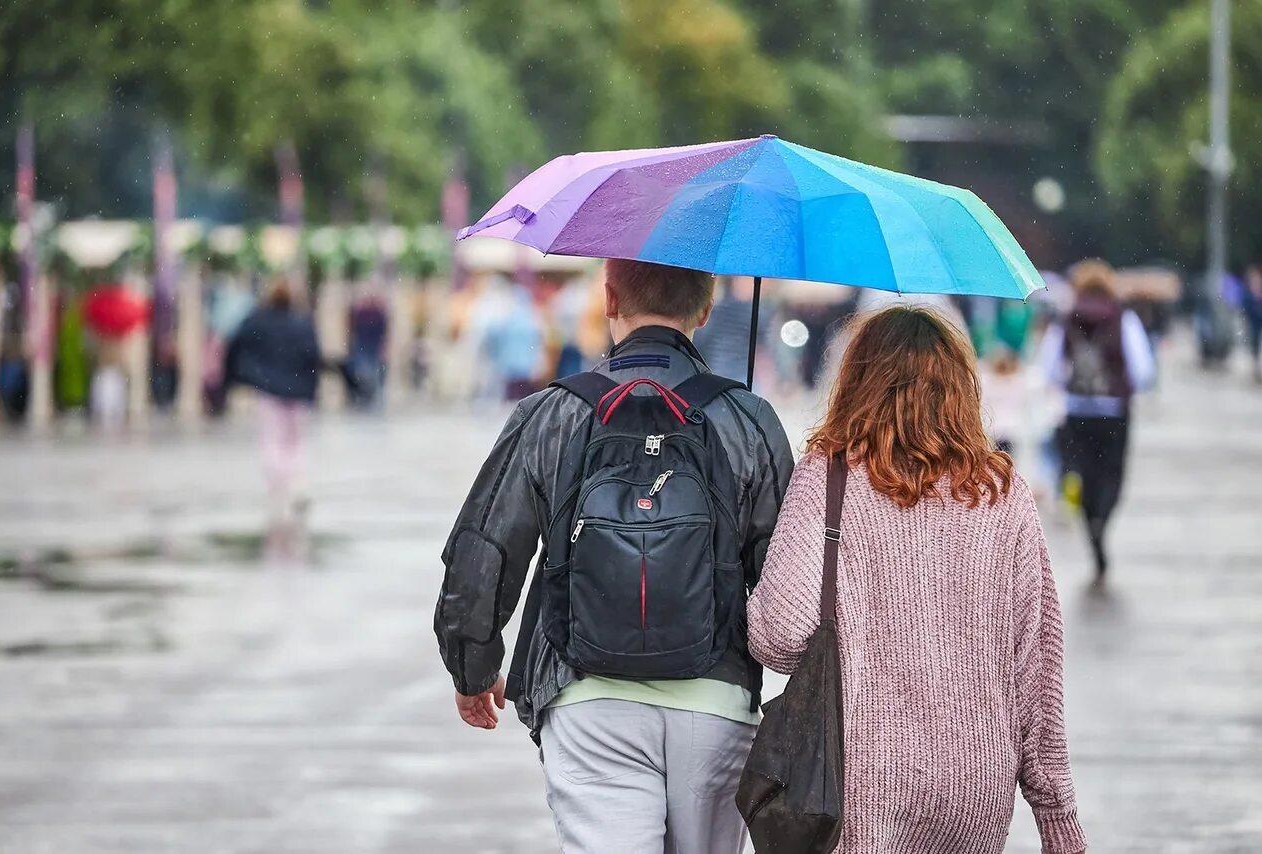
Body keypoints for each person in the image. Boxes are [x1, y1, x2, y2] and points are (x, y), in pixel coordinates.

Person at [435, 259, 794, 854]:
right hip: (716, 703)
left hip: (586, 697)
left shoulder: (552, 413)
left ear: (608, 298)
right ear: (704, 309)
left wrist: (472, 666)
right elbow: (786, 580)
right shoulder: (746, 418)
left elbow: (483, 550)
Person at [747, 306, 1086, 854]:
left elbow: (779, 637)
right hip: (974, 781)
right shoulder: (1003, 495)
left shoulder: (828, 477)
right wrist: (1056, 813)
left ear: (857, 382)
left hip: (860, 777)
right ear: (959, 390)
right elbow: (1037, 674)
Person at [1037, 260, 1155, 582]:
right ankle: (1102, 517)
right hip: (1115, 410)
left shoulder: (1066, 320)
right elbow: (1143, 370)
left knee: (1085, 471)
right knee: (1112, 475)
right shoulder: (1123, 318)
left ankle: (1091, 520)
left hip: (1076, 410)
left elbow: (1048, 369)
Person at [223, 279, 321, 546]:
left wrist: (238, 376)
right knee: (296, 440)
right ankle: (297, 483)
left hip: (269, 390)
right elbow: (314, 355)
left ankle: (278, 487)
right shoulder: (302, 322)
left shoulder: (256, 321)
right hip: (298, 392)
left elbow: (235, 347)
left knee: (272, 440)